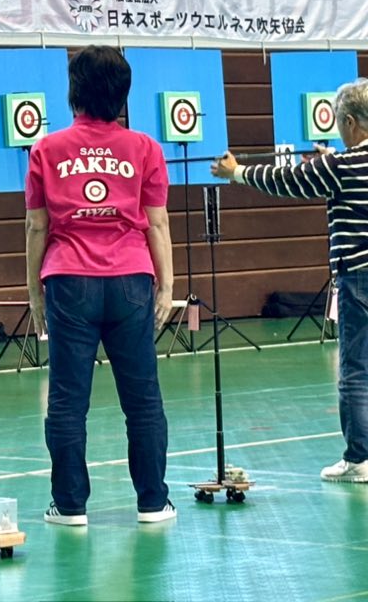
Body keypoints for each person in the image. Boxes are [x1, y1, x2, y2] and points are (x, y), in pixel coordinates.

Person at [24, 46, 175, 526]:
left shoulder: (46, 149)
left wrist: (34, 291)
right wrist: (167, 286)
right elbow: (157, 223)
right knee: (142, 399)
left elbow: (36, 226)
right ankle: (153, 502)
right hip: (132, 280)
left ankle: (70, 506)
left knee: (68, 400)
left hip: (69, 280)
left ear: (74, 92)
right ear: (123, 94)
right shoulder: (146, 148)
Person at [212, 78, 368, 483]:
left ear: (351, 122)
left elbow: (287, 180)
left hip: (359, 278)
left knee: (356, 369)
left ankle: (359, 458)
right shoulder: (342, 164)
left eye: (340, 122)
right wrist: (332, 160)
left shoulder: (340, 167)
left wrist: (236, 172)